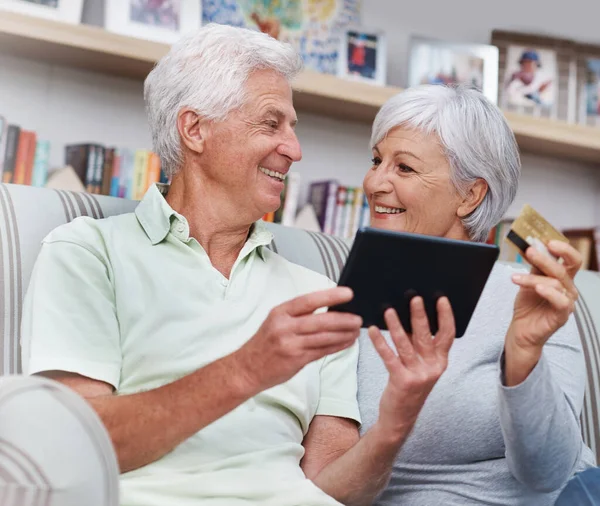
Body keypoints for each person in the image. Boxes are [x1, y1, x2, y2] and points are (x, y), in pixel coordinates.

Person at [21, 25, 455, 506]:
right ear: (194, 129)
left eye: (292, 127)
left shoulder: (319, 294)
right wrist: (247, 369)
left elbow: (334, 491)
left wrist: (396, 422)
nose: (294, 149)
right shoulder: (89, 253)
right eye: (271, 124)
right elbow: (77, 446)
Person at [357, 83, 597, 506]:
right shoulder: (335, 300)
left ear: (470, 195)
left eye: (404, 168)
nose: (375, 182)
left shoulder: (528, 296)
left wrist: (522, 354)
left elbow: (550, 472)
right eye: (377, 161)